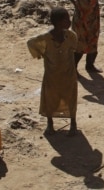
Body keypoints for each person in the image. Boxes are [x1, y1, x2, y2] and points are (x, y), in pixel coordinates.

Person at [27, 7, 78, 136]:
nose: (69, 21)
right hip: (52, 76)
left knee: (71, 98)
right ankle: (50, 124)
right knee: (50, 99)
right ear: (58, 22)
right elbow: (30, 43)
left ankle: (73, 124)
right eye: (66, 19)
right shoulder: (46, 38)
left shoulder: (71, 36)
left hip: (69, 74)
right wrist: (40, 53)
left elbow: (75, 47)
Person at [60, 0, 102, 73]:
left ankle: (90, 65)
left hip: (93, 14)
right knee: (80, 43)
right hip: (81, 15)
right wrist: (74, 1)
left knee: (93, 40)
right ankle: (73, 68)